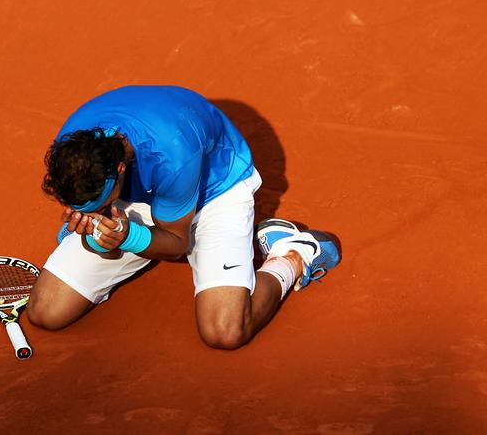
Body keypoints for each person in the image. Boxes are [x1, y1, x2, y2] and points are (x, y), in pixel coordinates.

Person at [27, 85, 340, 349]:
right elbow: (101, 228)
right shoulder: (73, 148)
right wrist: (95, 236)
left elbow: (177, 242)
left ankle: (292, 255)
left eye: (93, 207)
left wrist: (125, 236)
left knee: (225, 330)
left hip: (212, 191)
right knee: (46, 311)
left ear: (119, 171)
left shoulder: (172, 154)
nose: (88, 215)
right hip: (145, 192)